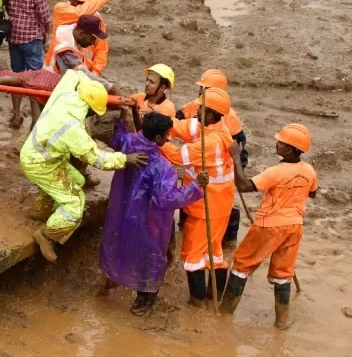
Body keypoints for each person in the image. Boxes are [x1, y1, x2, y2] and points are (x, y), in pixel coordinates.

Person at [20, 69, 145, 262]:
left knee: (77, 178)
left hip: (40, 153)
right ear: (90, 108)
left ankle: (41, 209)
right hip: (39, 163)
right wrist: (125, 159)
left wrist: (100, 88)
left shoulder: (66, 93)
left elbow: (74, 73)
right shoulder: (73, 129)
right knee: (75, 204)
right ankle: (47, 234)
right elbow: (97, 158)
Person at [99, 111, 205, 315]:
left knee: (118, 244)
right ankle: (144, 300)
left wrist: (122, 115)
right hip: (149, 220)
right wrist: (195, 186)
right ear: (157, 138)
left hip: (121, 213)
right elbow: (168, 200)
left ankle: (109, 281)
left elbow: (116, 136)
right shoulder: (161, 167)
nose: (169, 138)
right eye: (166, 135)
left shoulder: (127, 144)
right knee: (152, 256)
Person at [220, 124, 317, 329]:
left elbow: (245, 186)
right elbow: (313, 192)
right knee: (283, 274)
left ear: (290, 149)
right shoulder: (309, 170)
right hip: (294, 226)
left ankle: (224, 314)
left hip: (270, 226)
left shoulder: (276, 172)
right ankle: (281, 323)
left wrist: (236, 157)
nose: (277, 144)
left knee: (241, 265)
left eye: (281, 142)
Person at [162, 87, 237, 308]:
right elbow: (185, 127)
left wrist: (158, 140)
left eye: (201, 109)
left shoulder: (211, 143)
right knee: (214, 253)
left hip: (205, 208)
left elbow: (177, 155)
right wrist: (163, 122)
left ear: (211, 114)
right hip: (220, 206)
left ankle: (197, 301)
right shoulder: (220, 128)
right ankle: (214, 297)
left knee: (192, 255)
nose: (196, 111)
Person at [178, 69, 249, 242]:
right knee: (193, 196)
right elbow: (180, 115)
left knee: (220, 200)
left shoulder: (230, 117)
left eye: (204, 88)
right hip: (200, 155)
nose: (199, 92)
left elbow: (238, 145)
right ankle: (185, 229)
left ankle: (226, 238)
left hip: (220, 161)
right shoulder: (198, 104)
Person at [3, 0, 52, 127]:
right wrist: (47, 30)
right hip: (31, 36)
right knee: (35, 81)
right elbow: (43, 10)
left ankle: (16, 116)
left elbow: (6, 2)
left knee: (16, 77)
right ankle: (35, 121)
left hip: (14, 35)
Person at [42, 0, 123, 76]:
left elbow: (101, 49)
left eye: (81, 2)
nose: (74, 2)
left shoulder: (96, 19)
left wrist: (95, 72)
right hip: (54, 73)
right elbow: (81, 13)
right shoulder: (61, 10)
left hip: (83, 72)